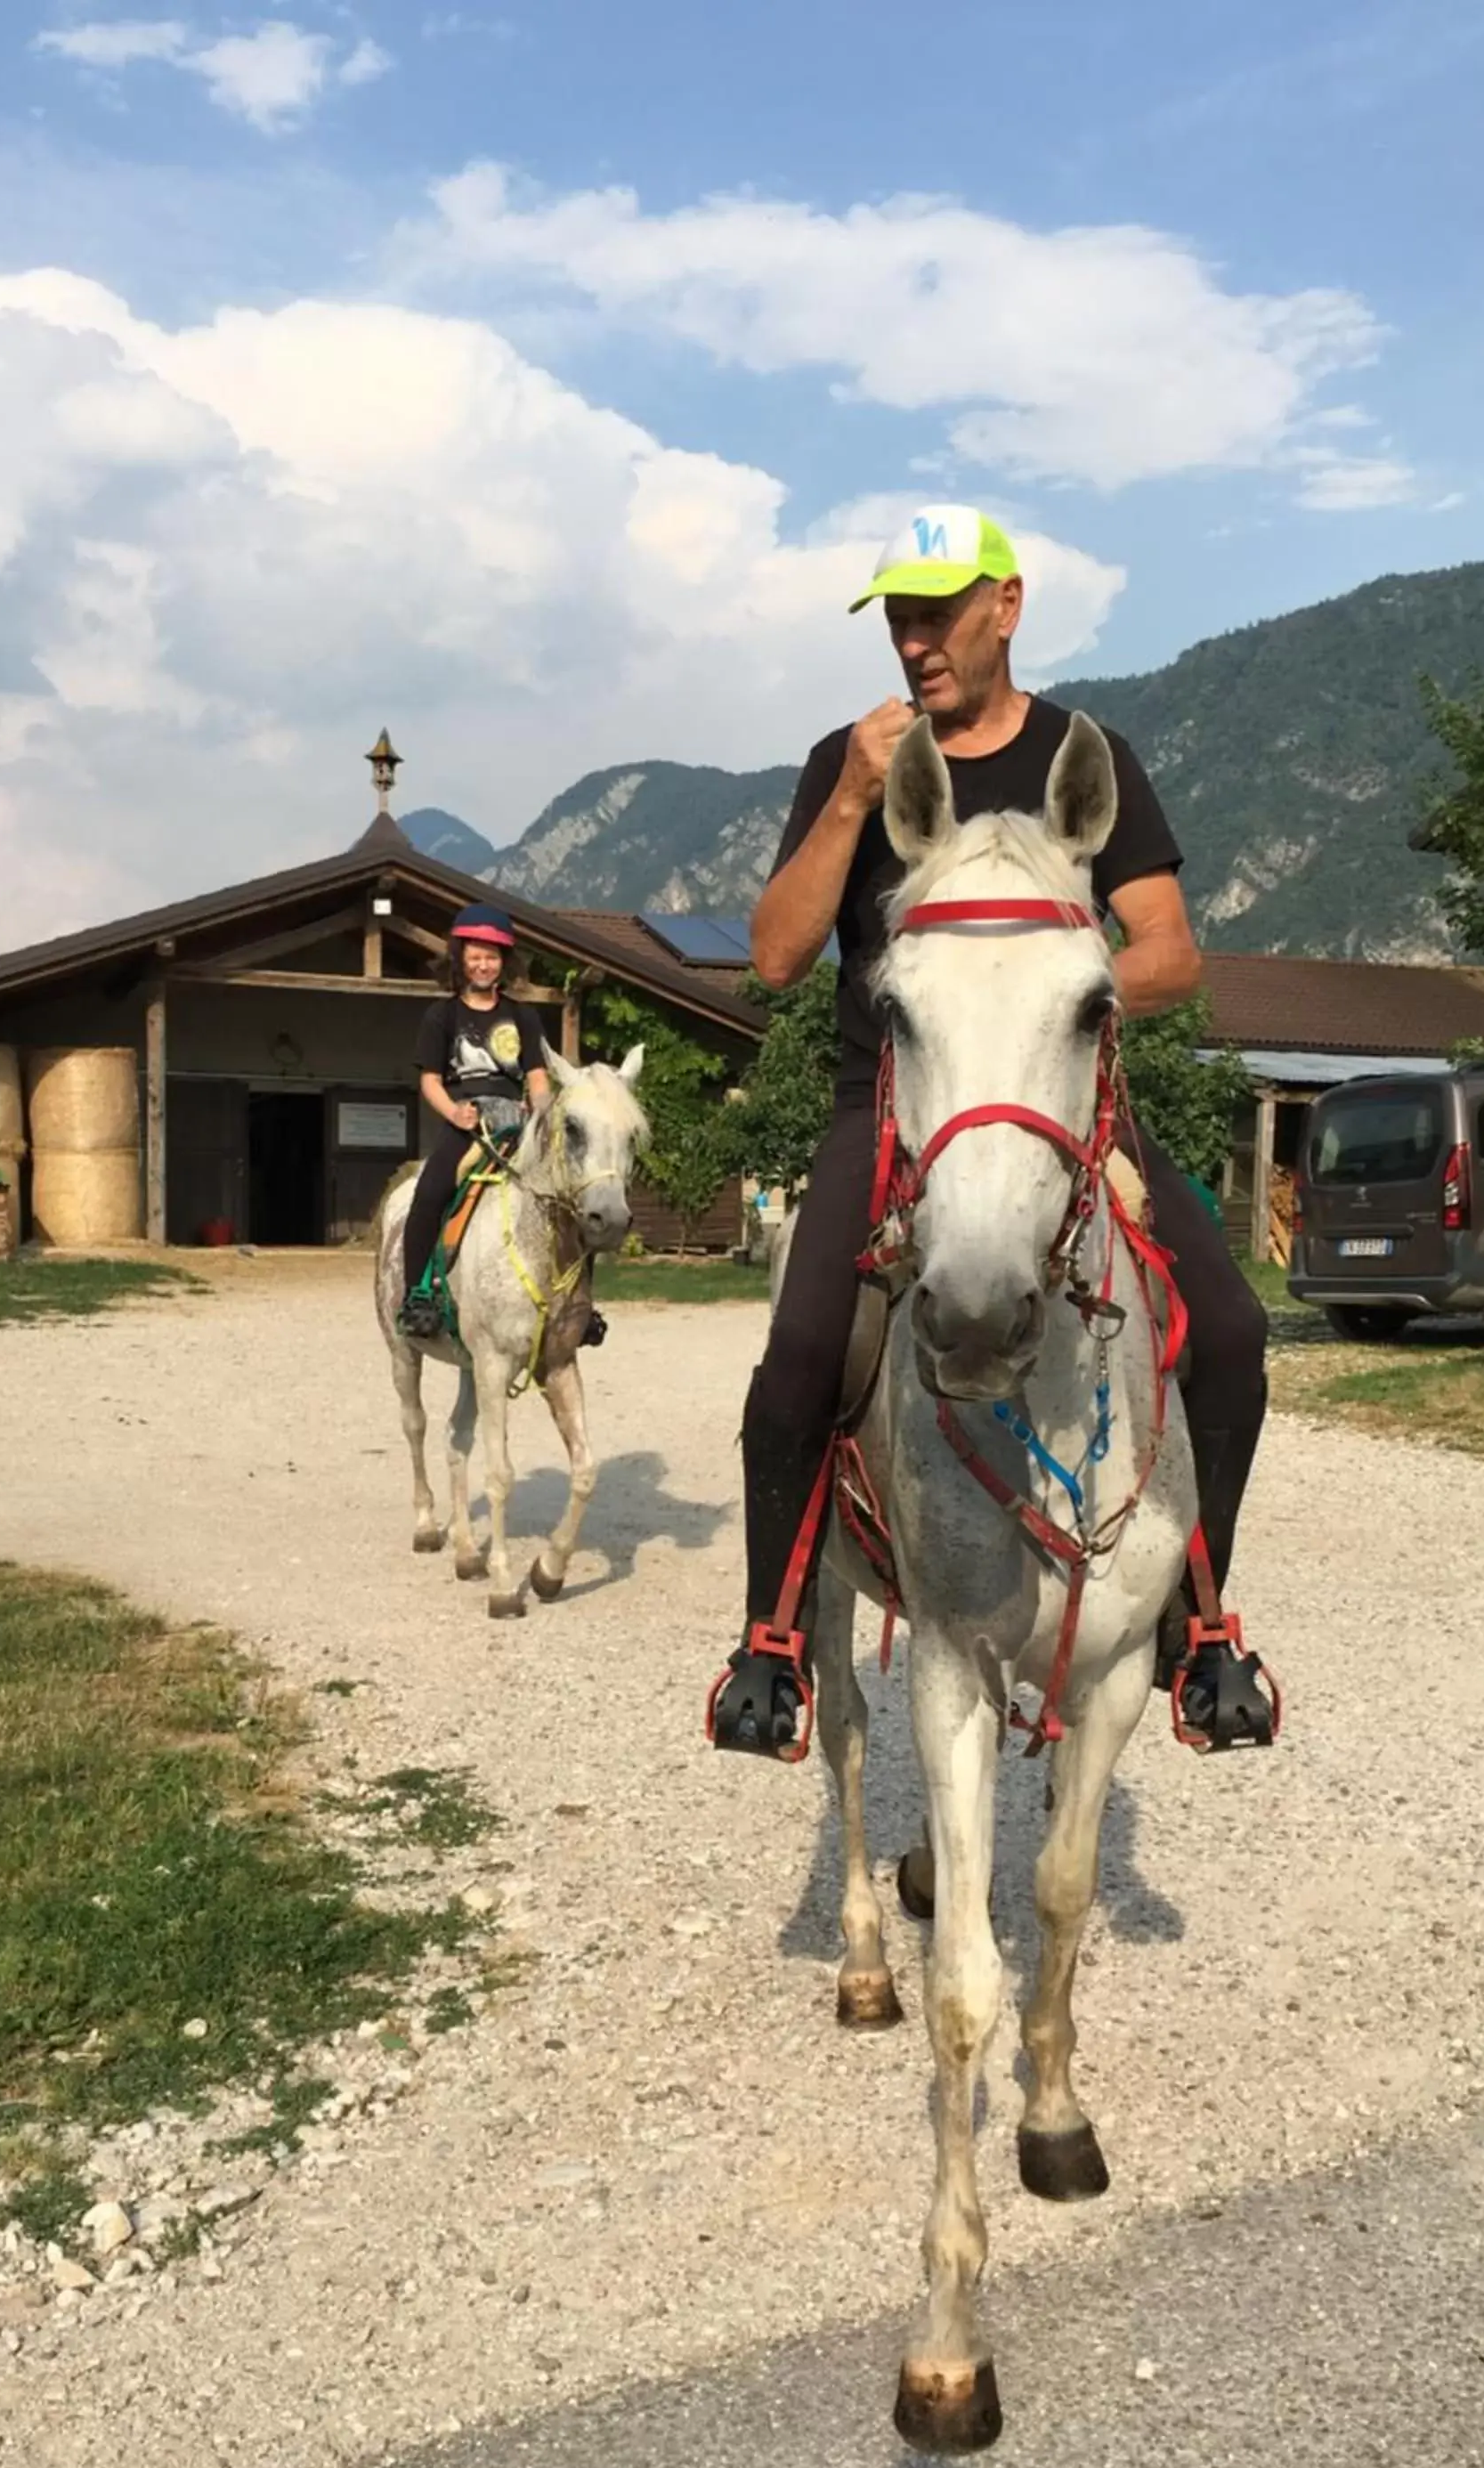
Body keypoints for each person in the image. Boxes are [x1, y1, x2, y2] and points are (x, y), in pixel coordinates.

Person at [709, 507, 1273, 1757]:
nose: (914, 642)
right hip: (891, 1103)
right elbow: (775, 955)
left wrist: (1053, 1001)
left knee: (1228, 1330)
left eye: (938, 611)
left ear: (1005, 606)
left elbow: (1171, 949)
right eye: (897, 617)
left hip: (1062, 1102)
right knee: (804, 1357)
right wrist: (855, 796)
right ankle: (772, 1641)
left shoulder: (1087, 755)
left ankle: (1198, 1624)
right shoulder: (848, 760)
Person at [394, 902, 605, 1346]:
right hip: (468, 1122)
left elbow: (536, 1075)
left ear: (504, 962)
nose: (483, 964)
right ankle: (417, 1294)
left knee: (570, 1194)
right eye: (475, 956)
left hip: (518, 1120)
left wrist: (543, 1113)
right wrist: (454, 1112)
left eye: (491, 957)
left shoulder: (522, 1015)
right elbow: (430, 1080)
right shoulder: (442, 1016)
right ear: (460, 959)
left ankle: (582, 1305)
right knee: (430, 1193)